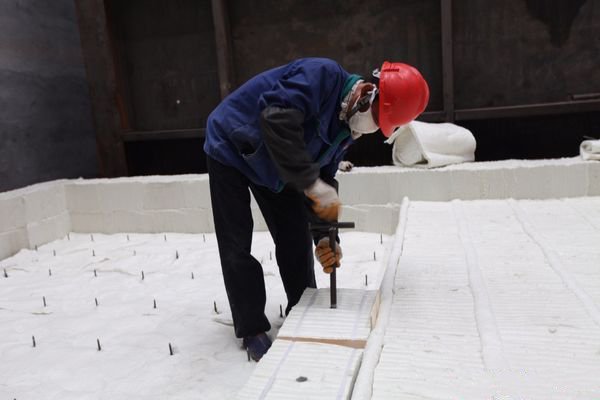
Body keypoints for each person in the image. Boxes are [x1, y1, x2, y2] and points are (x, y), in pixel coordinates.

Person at [204, 57, 429, 361]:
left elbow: (323, 179)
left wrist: (325, 236)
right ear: (366, 94)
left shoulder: (346, 128)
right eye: (376, 118)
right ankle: (252, 328)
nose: (373, 127)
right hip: (231, 143)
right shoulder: (321, 76)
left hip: (277, 164)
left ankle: (302, 307)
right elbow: (276, 120)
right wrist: (311, 183)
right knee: (236, 244)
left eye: (380, 126)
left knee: (294, 235)